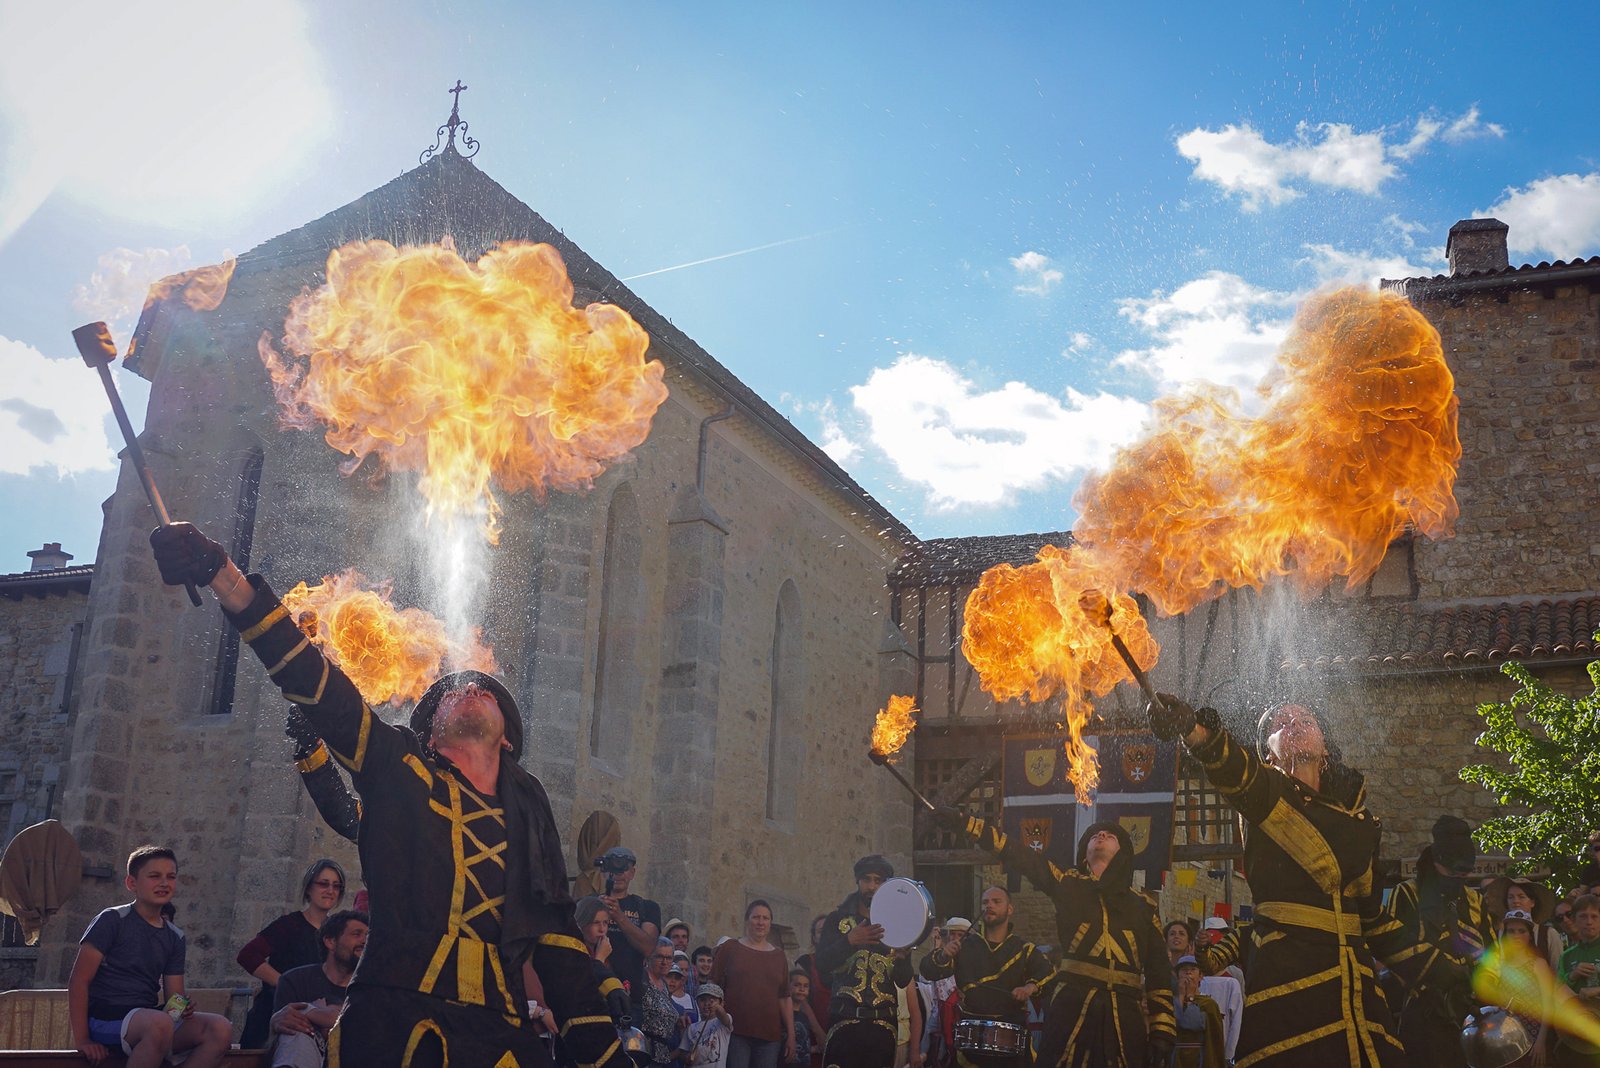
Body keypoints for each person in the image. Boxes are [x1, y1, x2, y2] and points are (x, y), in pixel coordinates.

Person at [148, 522, 626, 1068]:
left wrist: (606, 1056)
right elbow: (316, 683)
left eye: (485, 691)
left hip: (502, 1038)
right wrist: (221, 574)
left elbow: (560, 948)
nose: (468, 688)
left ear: (508, 736)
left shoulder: (527, 809)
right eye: (452, 691)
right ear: (430, 734)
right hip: (398, 1026)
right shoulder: (398, 768)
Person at [1146, 694, 1425, 1067]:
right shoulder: (1264, 793)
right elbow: (1231, 767)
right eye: (1280, 723)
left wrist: (1442, 972)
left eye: (1306, 719)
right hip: (1289, 984)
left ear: (1325, 749)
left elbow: (1372, 920)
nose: (1294, 723)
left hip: (1360, 1000)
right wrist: (1193, 730)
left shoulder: (1359, 820)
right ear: (1269, 756)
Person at [933, 809, 1174, 1068]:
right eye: (1094, 835)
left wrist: (1162, 1027)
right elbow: (1019, 854)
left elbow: (1159, 971)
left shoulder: (1144, 906)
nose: (1101, 834)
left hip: (1125, 1019)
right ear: (1084, 854)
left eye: (1110, 835)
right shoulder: (1067, 884)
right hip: (1071, 1010)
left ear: (1123, 853)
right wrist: (968, 824)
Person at [67, 844, 233, 1068]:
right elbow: (79, 981)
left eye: (171, 877)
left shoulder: (175, 936)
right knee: (159, 1023)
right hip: (106, 1019)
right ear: (131, 883)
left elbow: (174, 1000)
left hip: (151, 1019)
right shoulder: (112, 920)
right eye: (154, 876)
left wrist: (182, 1007)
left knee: (220, 1028)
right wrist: (83, 1040)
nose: (164, 883)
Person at [1382, 815, 1496, 1067]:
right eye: (1452, 871)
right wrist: (1437, 980)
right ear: (1436, 862)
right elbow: (1393, 948)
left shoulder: (1474, 900)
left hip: (1471, 1009)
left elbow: (1491, 951)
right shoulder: (1407, 893)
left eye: (1463, 872)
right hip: (1425, 1010)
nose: (1457, 877)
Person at [918, 886, 1051, 1068]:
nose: (989, 906)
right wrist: (943, 955)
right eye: (985, 902)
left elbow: (1049, 973)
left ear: (1009, 909)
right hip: (970, 1042)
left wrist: (1029, 988)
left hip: (1012, 1040)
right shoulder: (964, 946)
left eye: (996, 902)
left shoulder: (1024, 949)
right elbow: (927, 971)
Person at [816, 855, 923, 1068]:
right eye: (867, 879)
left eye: (878, 880)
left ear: (886, 885)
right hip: (844, 1021)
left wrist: (903, 961)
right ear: (858, 881)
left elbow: (902, 981)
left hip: (882, 1026)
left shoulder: (897, 926)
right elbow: (821, 964)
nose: (872, 886)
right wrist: (849, 941)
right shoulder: (836, 920)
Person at [236, 858, 348, 1048]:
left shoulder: (337, 934)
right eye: (323, 884)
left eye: (336, 886)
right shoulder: (289, 925)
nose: (330, 890)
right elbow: (249, 955)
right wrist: (286, 984)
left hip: (319, 1019)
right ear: (308, 888)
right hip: (277, 1013)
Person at [269, 909, 368, 1068]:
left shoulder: (369, 990)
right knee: (297, 1031)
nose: (365, 941)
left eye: (368, 936)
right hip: (307, 1055)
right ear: (330, 942)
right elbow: (285, 1029)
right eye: (357, 934)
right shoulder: (295, 981)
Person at [711, 900, 797, 1068]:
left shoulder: (779, 956)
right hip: (735, 1032)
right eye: (756, 917)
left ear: (770, 923)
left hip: (770, 1037)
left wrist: (792, 1035)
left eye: (765, 918)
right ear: (747, 920)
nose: (760, 922)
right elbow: (713, 984)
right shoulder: (730, 948)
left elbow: (784, 997)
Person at [598, 846, 663, 1015]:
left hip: (630, 997)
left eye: (624, 868)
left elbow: (648, 947)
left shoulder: (647, 907)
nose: (618, 874)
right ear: (603, 870)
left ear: (633, 872)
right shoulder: (589, 904)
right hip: (593, 994)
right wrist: (594, 911)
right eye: (613, 867)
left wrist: (618, 915)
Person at [1556, 894, 1600, 1068]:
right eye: (1583, 916)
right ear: (1574, 920)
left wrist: (1596, 991)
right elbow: (1557, 992)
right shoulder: (1568, 956)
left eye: (1594, 916)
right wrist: (1572, 976)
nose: (1589, 922)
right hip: (1577, 1035)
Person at [1489, 875, 1566, 974]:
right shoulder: (1498, 934)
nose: (1515, 901)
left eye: (1521, 897)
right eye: (1510, 897)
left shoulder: (1549, 934)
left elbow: (1558, 971)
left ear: (1532, 902)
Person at [576, 897, 632, 1026]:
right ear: (582, 924)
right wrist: (599, 959)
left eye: (605, 923)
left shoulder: (609, 952)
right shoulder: (574, 953)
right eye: (596, 922)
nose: (602, 929)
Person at [1171, 955, 1226, 1068]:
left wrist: (1190, 996)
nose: (1188, 973)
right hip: (1175, 1056)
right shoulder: (1171, 1001)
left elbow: (1193, 1023)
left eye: (1193, 969)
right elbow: (1176, 1022)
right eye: (1184, 970)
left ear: (1201, 976)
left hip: (1199, 1058)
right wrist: (1181, 996)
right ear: (1177, 976)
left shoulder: (1208, 1004)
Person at [641, 938, 685, 1067]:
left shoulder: (664, 985)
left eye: (669, 958)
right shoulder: (641, 980)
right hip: (645, 1053)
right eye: (659, 956)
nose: (664, 962)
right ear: (649, 957)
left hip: (663, 1056)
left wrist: (678, 1019)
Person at [793, 916, 833, 1035]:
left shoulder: (848, 964)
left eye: (829, 929)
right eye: (821, 931)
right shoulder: (804, 963)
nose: (826, 934)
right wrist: (818, 1033)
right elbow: (801, 1000)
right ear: (814, 938)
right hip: (810, 1033)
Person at [681, 983, 735, 1068]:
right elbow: (683, 1052)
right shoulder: (691, 1028)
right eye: (702, 1000)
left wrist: (717, 1008)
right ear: (697, 1003)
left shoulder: (722, 1023)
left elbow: (723, 1015)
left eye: (712, 1000)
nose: (707, 1003)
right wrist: (687, 1057)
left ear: (722, 1003)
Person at [787, 970, 821, 1068]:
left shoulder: (805, 1017)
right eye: (797, 985)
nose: (802, 989)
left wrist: (814, 1049)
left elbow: (803, 1044)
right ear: (788, 986)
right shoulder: (785, 1017)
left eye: (806, 986)